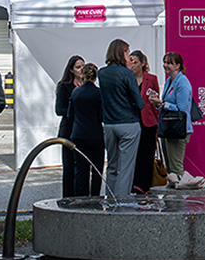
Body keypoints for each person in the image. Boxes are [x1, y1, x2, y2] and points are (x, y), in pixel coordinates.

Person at [97, 39, 144, 198]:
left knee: (112, 164)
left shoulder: (102, 73)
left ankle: (110, 198)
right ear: (121, 52)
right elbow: (139, 102)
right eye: (127, 52)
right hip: (128, 123)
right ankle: (122, 201)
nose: (129, 56)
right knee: (126, 167)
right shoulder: (128, 74)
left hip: (109, 123)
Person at [149, 52, 193, 180]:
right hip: (168, 128)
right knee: (169, 168)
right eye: (165, 62)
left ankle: (179, 196)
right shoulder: (169, 80)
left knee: (176, 168)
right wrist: (158, 103)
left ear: (178, 66)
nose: (165, 65)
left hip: (178, 129)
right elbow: (166, 104)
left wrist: (162, 103)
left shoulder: (182, 82)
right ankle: (172, 195)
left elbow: (181, 109)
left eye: (169, 63)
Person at [67, 63, 103, 197]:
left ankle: (80, 197)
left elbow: (70, 115)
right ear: (95, 77)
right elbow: (101, 115)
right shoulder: (98, 93)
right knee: (96, 170)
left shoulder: (75, 92)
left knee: (80, 170)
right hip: (95, 135)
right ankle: (95, 196)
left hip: (78, 134)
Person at [128, 50, 160, 193]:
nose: (132, 65)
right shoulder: (127, 78)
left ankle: (144, 186)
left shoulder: (151, 79)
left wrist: (158, 123)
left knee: (147, 154)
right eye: (130, 62)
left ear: (143, 63)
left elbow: (155, 101)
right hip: (132, 120)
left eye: (135, 62)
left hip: (148, 122)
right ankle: (133, 184)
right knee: (133, 154)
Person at [55, 55, 84, 197]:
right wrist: (75, 110)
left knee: (82, 167)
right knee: (69, 166)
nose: (81, 70)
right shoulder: (64, 86)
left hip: (84, 131)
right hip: (69, 131)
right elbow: (59, 110)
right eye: (78, 67)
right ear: (71, 70)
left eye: (83, 66)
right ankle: (67, 197)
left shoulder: (87, 85)